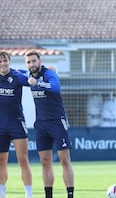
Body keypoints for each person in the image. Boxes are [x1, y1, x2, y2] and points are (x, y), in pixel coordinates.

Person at [24, 50, 74, 198]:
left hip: (57, 121)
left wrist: (38, 83)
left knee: (64, 158)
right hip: (41, 124)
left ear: (40, 61)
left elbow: (56, 87)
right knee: (45, 161)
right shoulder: (28, 75)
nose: (31, 64)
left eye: (34, 61)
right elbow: (8, 71)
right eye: (28, 62)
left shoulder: (49, 74)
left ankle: (70, 195)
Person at [0, 51, 33, 198]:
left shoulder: (17, 76)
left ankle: (29, 194)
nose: (2, 64)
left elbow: (31, 77)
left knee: (23, 159)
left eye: (5, 61)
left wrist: (32, 78)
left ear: (9, 61)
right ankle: (1, 193)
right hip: (0, 125)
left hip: (17, 123)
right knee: (0, 161)